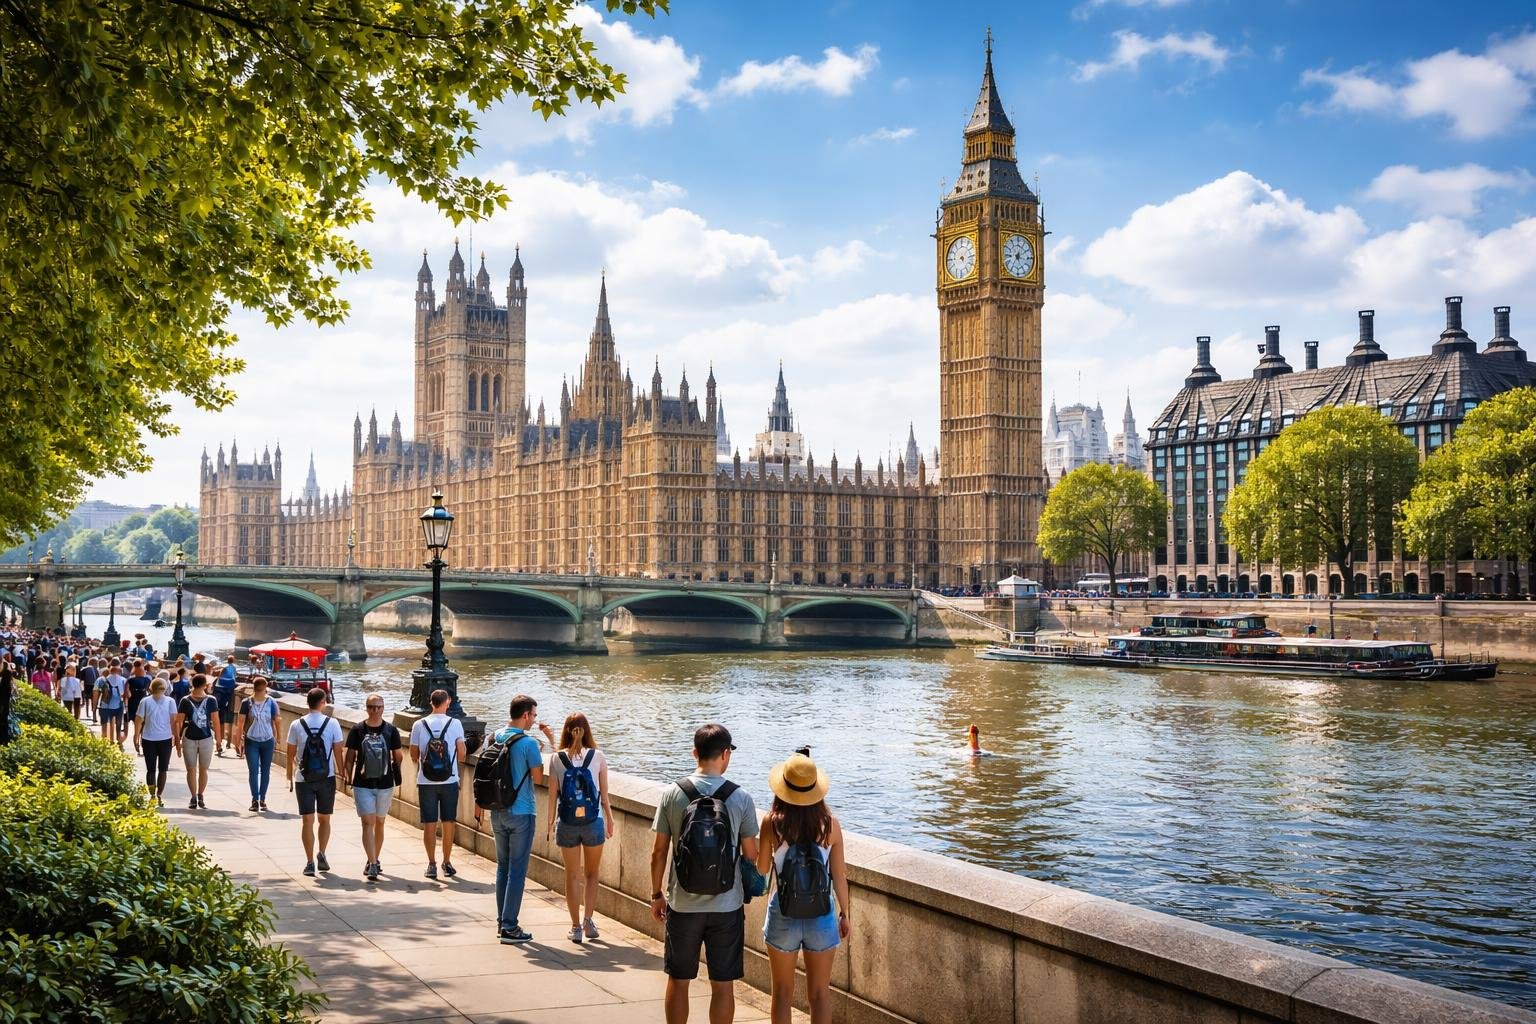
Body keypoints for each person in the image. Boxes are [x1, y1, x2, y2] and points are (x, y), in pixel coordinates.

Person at [650, 724, 760, 1024]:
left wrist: (656, 894)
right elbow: (751, 855)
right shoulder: (741, 798)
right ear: (726, 754)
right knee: (723, 986)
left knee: (678, 980)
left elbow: (659, 852)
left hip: (682, 904)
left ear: (695, 752)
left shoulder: (673, 793)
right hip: (727, 905)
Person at [756, 752, 851, 1024]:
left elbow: (763, 869)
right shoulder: (830, 825)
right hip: (821, 915)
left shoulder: (772, 822)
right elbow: (839, 874)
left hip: (783, 912)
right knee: (820, 995)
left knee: (782, 995)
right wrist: (845, 913)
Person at [483, 694, 552, 942]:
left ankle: (503, 920)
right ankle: (511, 927)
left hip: (497, 809)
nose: (534, 719)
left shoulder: (494, 736)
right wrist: (539, 755)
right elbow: (537, 778)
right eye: (533, 715)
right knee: (517, 870)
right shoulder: (528, 743)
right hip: (521, 811)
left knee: (502, 866)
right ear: (525, 715)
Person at [547, 711, 614, 944]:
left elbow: (552, 795)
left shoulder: (556, 759)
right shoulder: (598, 756)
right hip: (593, 822)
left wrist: (549, 824)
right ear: (588, 730)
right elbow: (603, 796)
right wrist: (610, 819)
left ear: (566, 731)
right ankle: (588, 921)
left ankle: (575, 927)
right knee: (592, 873)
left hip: (567, 822)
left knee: (572, 875)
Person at [341, 692, 403, 881]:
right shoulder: (357, 729)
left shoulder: (391, 731)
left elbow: (398, 755)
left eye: (378, 707)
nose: (375, 710)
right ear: (366, 708)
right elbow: (350, 755)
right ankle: (373, 862)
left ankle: (374, 857)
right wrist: (347, 774)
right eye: (371, 707)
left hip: (385, 784)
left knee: (380, 822)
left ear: (383, 708)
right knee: (368, 822)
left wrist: (393, 770)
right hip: (363, 784)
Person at [284, 686, 345, 877]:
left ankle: (309, 862)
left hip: (304, 778)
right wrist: (342, 773)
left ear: (307, 703)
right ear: (323, 702)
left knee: (307, 821)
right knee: (324, 819)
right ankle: (322, 853)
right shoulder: (332, 723)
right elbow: (337, 750)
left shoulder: (297, 724)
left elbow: (290, 753)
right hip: (326, 777)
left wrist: (289, 776)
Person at [408, 688, 468, 880]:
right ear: (448, 702)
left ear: (430, 702)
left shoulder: (419, 724)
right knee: (449, 821)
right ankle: (447, 862)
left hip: (426, 781)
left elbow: (413, 755)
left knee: (429, 823)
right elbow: (462, 753)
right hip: (449, 780)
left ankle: (431, 864)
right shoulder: (455, 723)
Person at [173, 674, 219, 809]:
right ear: (205, 685)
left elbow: (178, 722)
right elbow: (215, 721)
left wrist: (177, 740)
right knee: (204, 769)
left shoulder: (185, 700)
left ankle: (193, 796)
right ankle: (200, 795)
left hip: (189, 737)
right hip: (206, 738)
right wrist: (219, 740)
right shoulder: (211, 700)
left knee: (191, 769)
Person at [236, 676, 280, 811]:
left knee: (263, 771)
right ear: (265, 687)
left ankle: (261, 799)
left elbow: (276, 719)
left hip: (266, 740)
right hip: (252, 740)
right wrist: (278, 736)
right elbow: (241, 723)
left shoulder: (271, 702)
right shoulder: (247, 703)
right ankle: (256, 799)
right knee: (255, 771)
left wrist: (277, 737)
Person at [133, 677, 177, 808]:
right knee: (163, 769)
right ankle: (158, 795)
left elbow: (138, 720)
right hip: (164, 739)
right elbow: (174, 721)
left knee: (151, 769)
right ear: (165, 689)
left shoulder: (145, 701)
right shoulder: (170, 701)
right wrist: (175, 736)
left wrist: (136, 736)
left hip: (149, 739)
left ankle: (153, 794)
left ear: (151, 688)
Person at [213, 654, 239, 756]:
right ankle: (226, 742)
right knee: (228, 719)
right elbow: (234, 677)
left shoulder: (224, 667)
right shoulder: (234, 667)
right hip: (230, 692)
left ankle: (219, 743)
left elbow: (219, 676)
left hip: (221, 693)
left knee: (219, 720)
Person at [98, 660, 127, 746]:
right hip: (119, 704)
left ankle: (110, 740)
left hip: (107, 705)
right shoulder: (123, 680)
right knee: (118, 723)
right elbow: (124, 694)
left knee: (109, 722)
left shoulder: (104, 680)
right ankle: (118, 738)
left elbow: (99, 692)